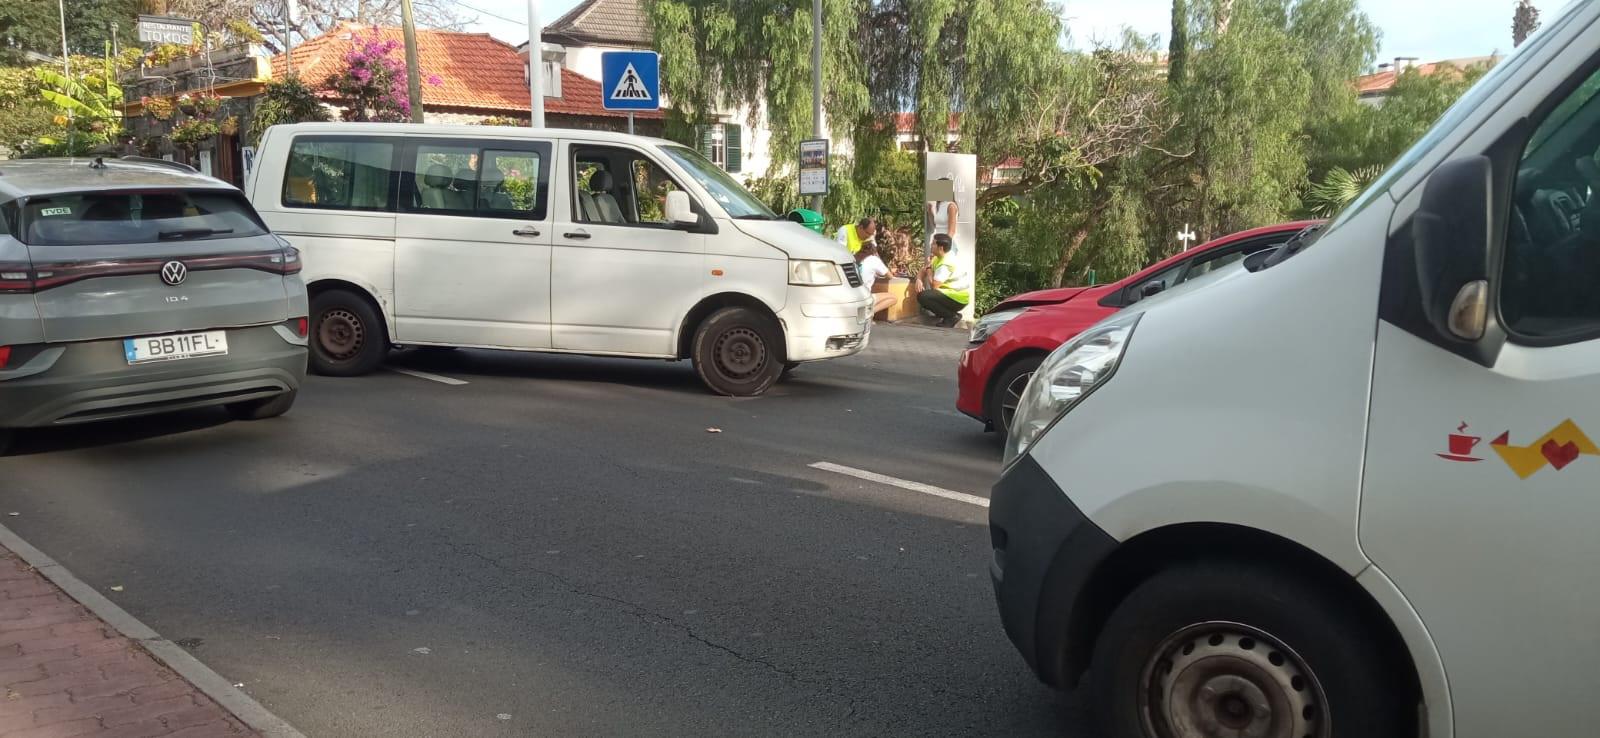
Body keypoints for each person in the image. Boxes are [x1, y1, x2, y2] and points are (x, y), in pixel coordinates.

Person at [916, 233, 969, 327]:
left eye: (933, 244)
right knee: (926, 295)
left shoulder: (945, 264)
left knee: (923, 296)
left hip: (958, 298)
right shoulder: (938, 258)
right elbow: (923, 269)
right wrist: (919, 279)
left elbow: (934, 286)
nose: (931, 246)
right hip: (951, 295)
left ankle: (951, 317)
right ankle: (947, 314)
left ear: (940, 248)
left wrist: (929, 271)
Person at [855, 242, 899, 317]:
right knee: (893, 298)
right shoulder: (874, 259)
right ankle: (868, 313)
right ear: (875, 252)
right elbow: (890, 276)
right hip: (864, 297)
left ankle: (867, 311)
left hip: (852, 296)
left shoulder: (853, 258)